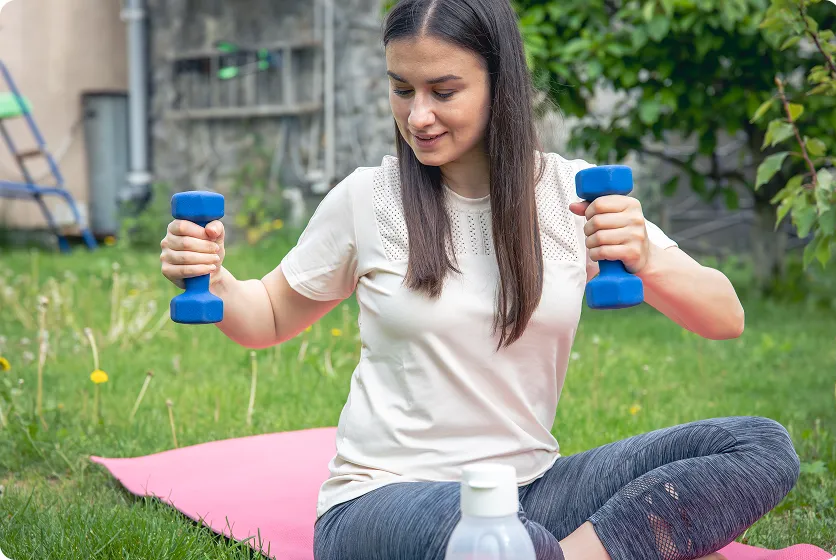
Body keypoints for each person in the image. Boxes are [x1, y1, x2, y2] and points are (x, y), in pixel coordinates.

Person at [160, 1, 801, 558]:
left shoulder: (570, 196)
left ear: (501, 85)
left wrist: (644, 255)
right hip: (386, 500)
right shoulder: (367, 199)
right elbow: (268, 316)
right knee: (496, 539)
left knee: (759, 446)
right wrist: (210, 277)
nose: (418, 116)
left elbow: (726, 316)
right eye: (401, 89)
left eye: (443, 91)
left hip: (534, 489)